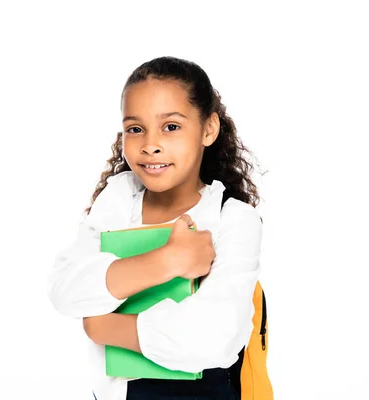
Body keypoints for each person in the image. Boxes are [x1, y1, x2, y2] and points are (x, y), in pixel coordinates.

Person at [47, 56, 264, 400]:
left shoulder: (233, 218)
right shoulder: (118, 199)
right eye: (135, 128)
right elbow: (64, 291)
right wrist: (169, 261)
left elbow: (213, 340)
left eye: (171, 126)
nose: (150, 144)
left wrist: (103, 324)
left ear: (208, 129)